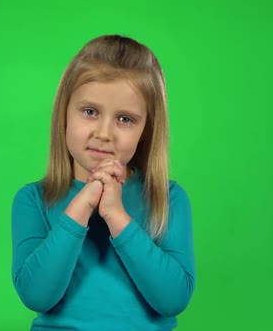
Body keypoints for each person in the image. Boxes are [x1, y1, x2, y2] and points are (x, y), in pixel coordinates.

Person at [11, 34, 195, 330]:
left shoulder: (167, 198)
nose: (105, 132)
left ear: (145, 130)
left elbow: (173, 300)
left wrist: (116, 216)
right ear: (64, 115)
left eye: (125, 119)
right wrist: (83, 203)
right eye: (90, 111)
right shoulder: (33, 199)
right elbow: (36, 295)